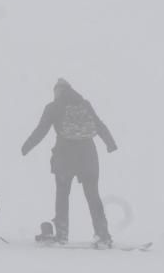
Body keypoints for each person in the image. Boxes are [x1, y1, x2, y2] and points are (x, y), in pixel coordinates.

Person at [21, 78, 117, 247]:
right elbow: (99, 125)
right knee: (93, 195)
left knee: (62, 195)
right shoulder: (84, 104)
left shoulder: (53, 107)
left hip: (65, 156)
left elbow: (41, 130)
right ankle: (103, 235)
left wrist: (26, 146)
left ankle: (62, 235)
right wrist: (111, 144)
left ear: (57, 91)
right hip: (89, 155)